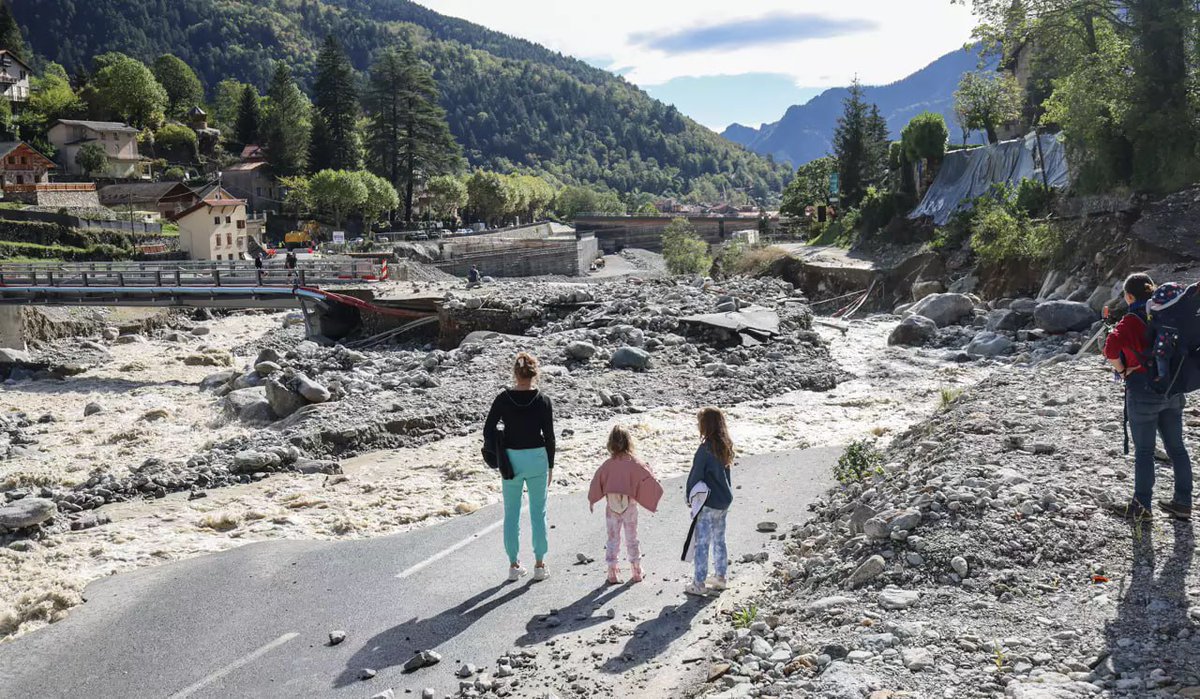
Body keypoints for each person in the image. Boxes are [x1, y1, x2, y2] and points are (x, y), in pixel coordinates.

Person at [1103, 273, 1193, 521]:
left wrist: (1122, 370)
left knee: (1144, 452)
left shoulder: (1131, 320)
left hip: (1142, 391)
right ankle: (1183, 503)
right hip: (1173, 387)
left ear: (1130, 296)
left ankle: (1142, 508)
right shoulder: (1171, 315)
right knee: (1177, 448)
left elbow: (1110, 348)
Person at [484, 352, 556, 581]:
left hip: (511, 461)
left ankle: (514, 565)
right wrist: (551, 465)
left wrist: (497, 448)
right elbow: (550, 437)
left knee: (511, 514)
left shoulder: (503, 399)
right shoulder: (543, 400)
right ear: (535, 374)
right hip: (537, 459)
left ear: (515, 373)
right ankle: (540, 565)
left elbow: (488, 428)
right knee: (538, 513)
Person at [588, 426, 663, 584]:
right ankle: (636, 571)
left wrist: (592, 499)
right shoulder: (634, 463)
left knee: (612, 539)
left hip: (612, 505)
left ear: (611, 444)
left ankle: (612, 572)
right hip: (629, 505)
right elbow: (648, 475)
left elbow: (596, 482)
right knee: (632, 538)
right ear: (629, 442)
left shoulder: (607, 465)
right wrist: (655, 490)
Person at [684, 407, 735, 596]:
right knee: (720, 540)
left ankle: (699, 583)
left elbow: (696, 475)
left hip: (708, 502)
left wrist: (689, 496)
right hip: (724, 500)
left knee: (702, 542)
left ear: (706, 426)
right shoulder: (725, 445)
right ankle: (721, 577)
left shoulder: (704, 450)